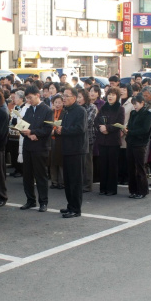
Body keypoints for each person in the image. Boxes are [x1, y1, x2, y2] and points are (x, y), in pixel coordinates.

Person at [19, 85, 53, 212]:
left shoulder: (47, 110)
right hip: (28, 146)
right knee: (27, 175)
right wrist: (26, 133)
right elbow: (22, 126)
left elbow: (48, 129)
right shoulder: (28, 110)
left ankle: (43, 202)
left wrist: (34, 133)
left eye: (30, 98)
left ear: (37, 95)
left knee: (41, 175)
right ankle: (30, 200)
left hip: (40, 147)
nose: (28, 101)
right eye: (27, 98)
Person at [56, 87, 88, 218]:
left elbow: (80, 129)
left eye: (66, 96)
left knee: (75, 181)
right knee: (68, 181)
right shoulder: (66, 111)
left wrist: (63, 130)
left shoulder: (81, 111)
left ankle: (76, 209)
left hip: (77, 150)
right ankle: (70, 205)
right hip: (67, 149)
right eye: (63, 95)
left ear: (74, 98)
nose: (63, 98)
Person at [94, 87, 124, 196]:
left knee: (112, 165)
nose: (110, 96)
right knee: (103, 165)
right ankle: (103, 188)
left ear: (117, 97)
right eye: (109, 94)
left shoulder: (120, 109)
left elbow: (119, 123)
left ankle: (112, 189)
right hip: (102, 140)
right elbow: (96, 120)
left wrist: (107, 128)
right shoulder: (103, 107)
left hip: (113, 141)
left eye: (113, 95)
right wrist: (101, 128)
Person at [124, 94, 151, 199]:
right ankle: (133, 190)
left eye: (136, 104)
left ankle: (142, 190)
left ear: (142, 103)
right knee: (131, 167)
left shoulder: (147, 114)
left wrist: (130, 132)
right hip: (131, 142)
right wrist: (126, 129)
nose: (134, 106)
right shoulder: (133, 113)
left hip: (140, 143)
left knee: (139, 167)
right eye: (133, 104)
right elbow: (130, 125)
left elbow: (145, 129)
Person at [77, 89, 97, 193]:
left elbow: (89, 121)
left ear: (85, 97)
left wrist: (76, 125)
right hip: (77, 139)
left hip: (88, 138)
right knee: (79, 162)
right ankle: (80, 183)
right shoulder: (76, 108)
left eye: (80, 97)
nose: (78, 99)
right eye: (77, 97)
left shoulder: (92, 107)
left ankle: (87, 185)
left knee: (87, 162)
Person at [118, 83, 134, 185]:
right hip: (116, 133)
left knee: (126, 156)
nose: (122, 91)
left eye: (124, 89)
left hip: (126, 133)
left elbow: (132, 118)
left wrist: (123, 129)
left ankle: (126, 177)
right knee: (119, 156)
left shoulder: (132, 102)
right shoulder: (117, 101)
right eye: (121, 89)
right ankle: (119, 176)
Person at [49, 94, 64, 189]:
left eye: (59, 102)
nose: (57, 104)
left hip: (61, 139)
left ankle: (62, 182)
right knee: (52, 161)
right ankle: (54, 181)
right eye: (55, 102)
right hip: (51, 139)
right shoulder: (50, 112)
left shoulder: (65, 112)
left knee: (61, 161)